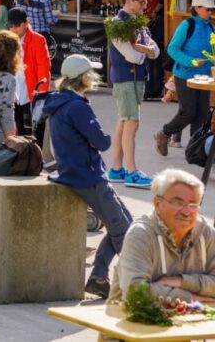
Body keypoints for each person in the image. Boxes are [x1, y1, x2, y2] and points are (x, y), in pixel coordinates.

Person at [44, 53, 132, 299]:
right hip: (88, 176)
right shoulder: (77, 107)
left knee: (125, 222)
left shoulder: (60, 101)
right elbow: (102, 142)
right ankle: (137, 282)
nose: (93, 77)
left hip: (76, 172)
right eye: (89, 73)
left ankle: (99, 277)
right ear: (82, 78)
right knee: (123, 230)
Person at [109, 169, 215, 303]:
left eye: (192, 204)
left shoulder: (206, 232)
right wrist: (190, 299)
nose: (186, 212)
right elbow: (135, 291)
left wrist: (181, 281)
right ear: (157, 203)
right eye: (178, 203)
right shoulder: (141, 234)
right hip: (134, 317)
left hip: (195, 318)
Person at [102, 0, 159, 189]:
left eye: (145, 1)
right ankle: (131, 171)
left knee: (125, 122)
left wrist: (142, 49)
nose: (145, 5)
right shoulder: (118, 24)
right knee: (131, 123)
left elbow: (156, 50)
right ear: (128, 1)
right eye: (141, 1)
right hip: (126, 79)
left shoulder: (138, 24)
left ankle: (117, 169)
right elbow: (132, 56)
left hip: (135, 79)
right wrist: (145, 52)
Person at [155, 0, 215, 156]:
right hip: (185, 75)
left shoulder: (210, 26)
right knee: (188, 112)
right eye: (208, 9)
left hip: (204, 77)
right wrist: (191, 61)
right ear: (197, 8)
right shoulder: (186, 25)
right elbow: (172, 49)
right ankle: (164, 133)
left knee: (202, 114)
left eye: (212, 10)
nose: (211, 13)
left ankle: (194, 149)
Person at [5, 8, 51, 135]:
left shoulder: (38, 40)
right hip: (14, 92)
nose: (14, 29)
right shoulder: (6, 41)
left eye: (17, 25)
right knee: (18, 131)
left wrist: (41, 95)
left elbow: (44, 67)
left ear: (26, 23)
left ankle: (34, 153)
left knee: (33, 131)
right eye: (11, 26)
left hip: (31, 91)